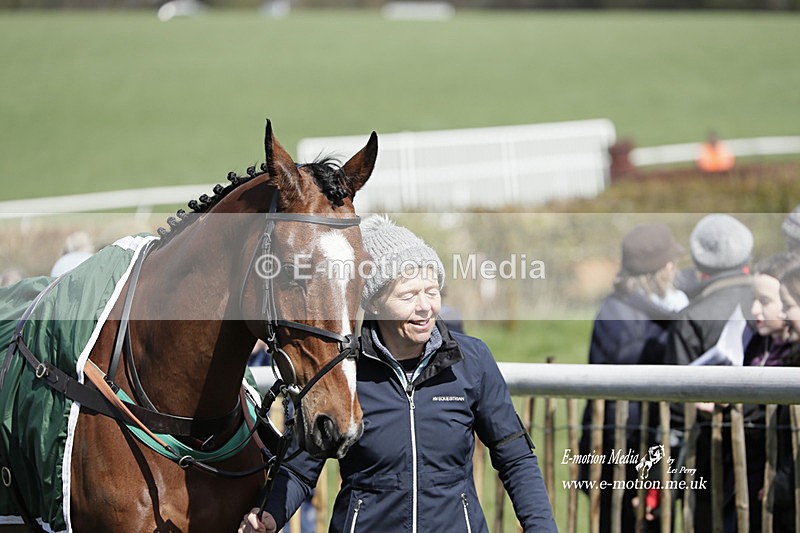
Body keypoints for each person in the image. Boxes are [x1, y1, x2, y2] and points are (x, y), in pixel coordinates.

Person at [239, 215, 556, 533]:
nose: (425, 307)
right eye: (408, 295)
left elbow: (514, 457)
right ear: (375, 303)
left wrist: (541, 527)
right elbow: (298, 470)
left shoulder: (472, 360)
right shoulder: (342, 371)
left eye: (432, 291)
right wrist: (271, 516)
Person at [578, 223, 688, 533]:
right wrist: (647, 475)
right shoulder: (632, 325)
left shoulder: (623, 307)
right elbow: (623, 411)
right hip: (629, 462)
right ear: (664, 267)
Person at [664, 213, 754, 532]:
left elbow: (675, 401)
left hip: (706, 457)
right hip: (762, 451)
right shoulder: (771, 296)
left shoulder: (689, 316)